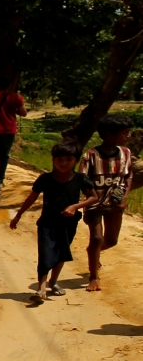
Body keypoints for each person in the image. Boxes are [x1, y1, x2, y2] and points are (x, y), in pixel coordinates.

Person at [10, 142, 98, 303]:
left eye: (68, 160)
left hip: (68, 223)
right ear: (53, 160)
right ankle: (41, 288)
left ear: (76, 161)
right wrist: (18, 215)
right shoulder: (45, 179)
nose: (63, 163)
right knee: (45, 254)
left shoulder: (80, 179)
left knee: (61, 253)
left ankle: (53, 281)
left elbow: (93, 197)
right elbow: (32, 197)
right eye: (59, 160)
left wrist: (75, 206)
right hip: (46, 223)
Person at [80, 114, 134, 292]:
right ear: (109, 135)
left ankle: (93, 254)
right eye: (125, 133)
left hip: (115, 205)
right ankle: (93, 275)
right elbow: (83, 179)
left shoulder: (125, 153)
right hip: (95, 204)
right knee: (96, 237)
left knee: (111, 241)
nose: (128, 136)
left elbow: (129, 175)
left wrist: (124, 197)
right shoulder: (91, 156)